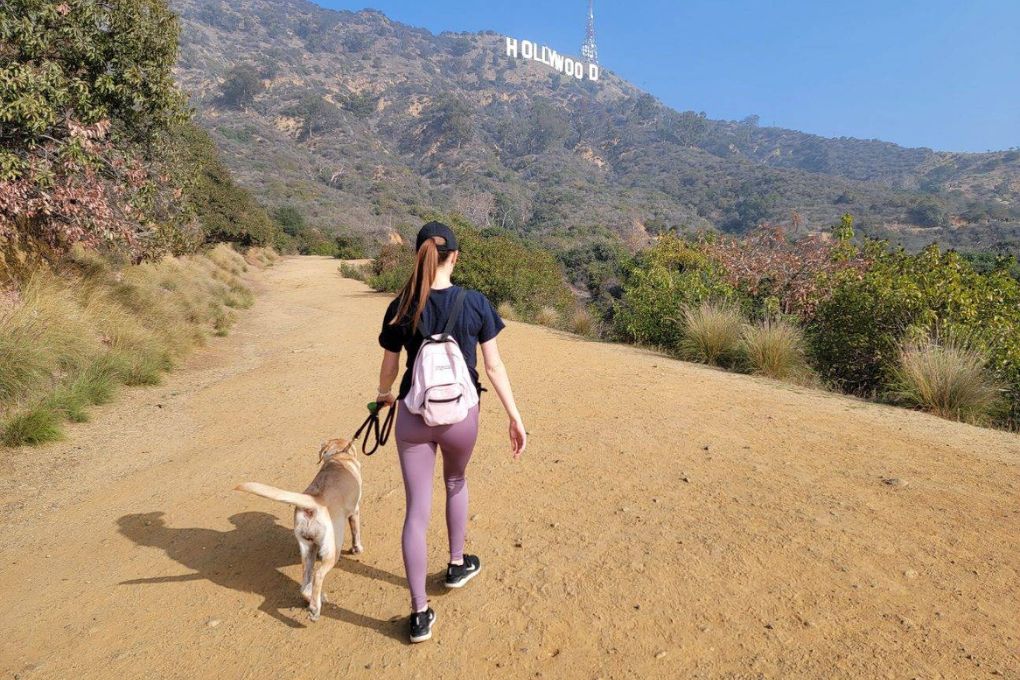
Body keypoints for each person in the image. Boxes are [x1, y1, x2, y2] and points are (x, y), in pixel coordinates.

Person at [376, 221, 527, 643]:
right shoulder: (476, 302)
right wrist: (515, 416)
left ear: (419, 257)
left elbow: (390, 368)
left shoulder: (401, 304)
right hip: (463, 416)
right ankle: (457, 564)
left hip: (413, 416)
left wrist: (384, 395)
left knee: (416, 511)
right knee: (456, 482)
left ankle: (419, 612)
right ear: (455, 257)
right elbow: (494, 366)